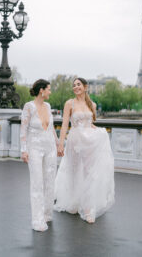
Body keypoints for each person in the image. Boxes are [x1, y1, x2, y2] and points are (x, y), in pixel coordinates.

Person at [54, 77, 115, 223]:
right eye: (74, 85)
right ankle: (74, 201)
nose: (76, 87)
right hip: (75, 141)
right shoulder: (69, 103)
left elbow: (90, 124)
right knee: (74, 172)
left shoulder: (92, 104)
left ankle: (88, 208)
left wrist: (101, 132)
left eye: (78, 84)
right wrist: (60, 144)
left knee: (89, 173)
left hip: (89, 142)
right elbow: (64, 125)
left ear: (85, 87)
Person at [20, 79, 58, 232]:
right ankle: (37, 220)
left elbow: (51, 128)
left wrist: (58, 143)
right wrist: (24, 150)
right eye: (49, 89)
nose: (50, 92)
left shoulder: (48, 106)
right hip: (34, 148)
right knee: (37, 183)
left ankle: (47, 214)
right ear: (42, 90)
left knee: (49, 182)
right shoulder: (29, 107)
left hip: (50, 148)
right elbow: (23, 129)